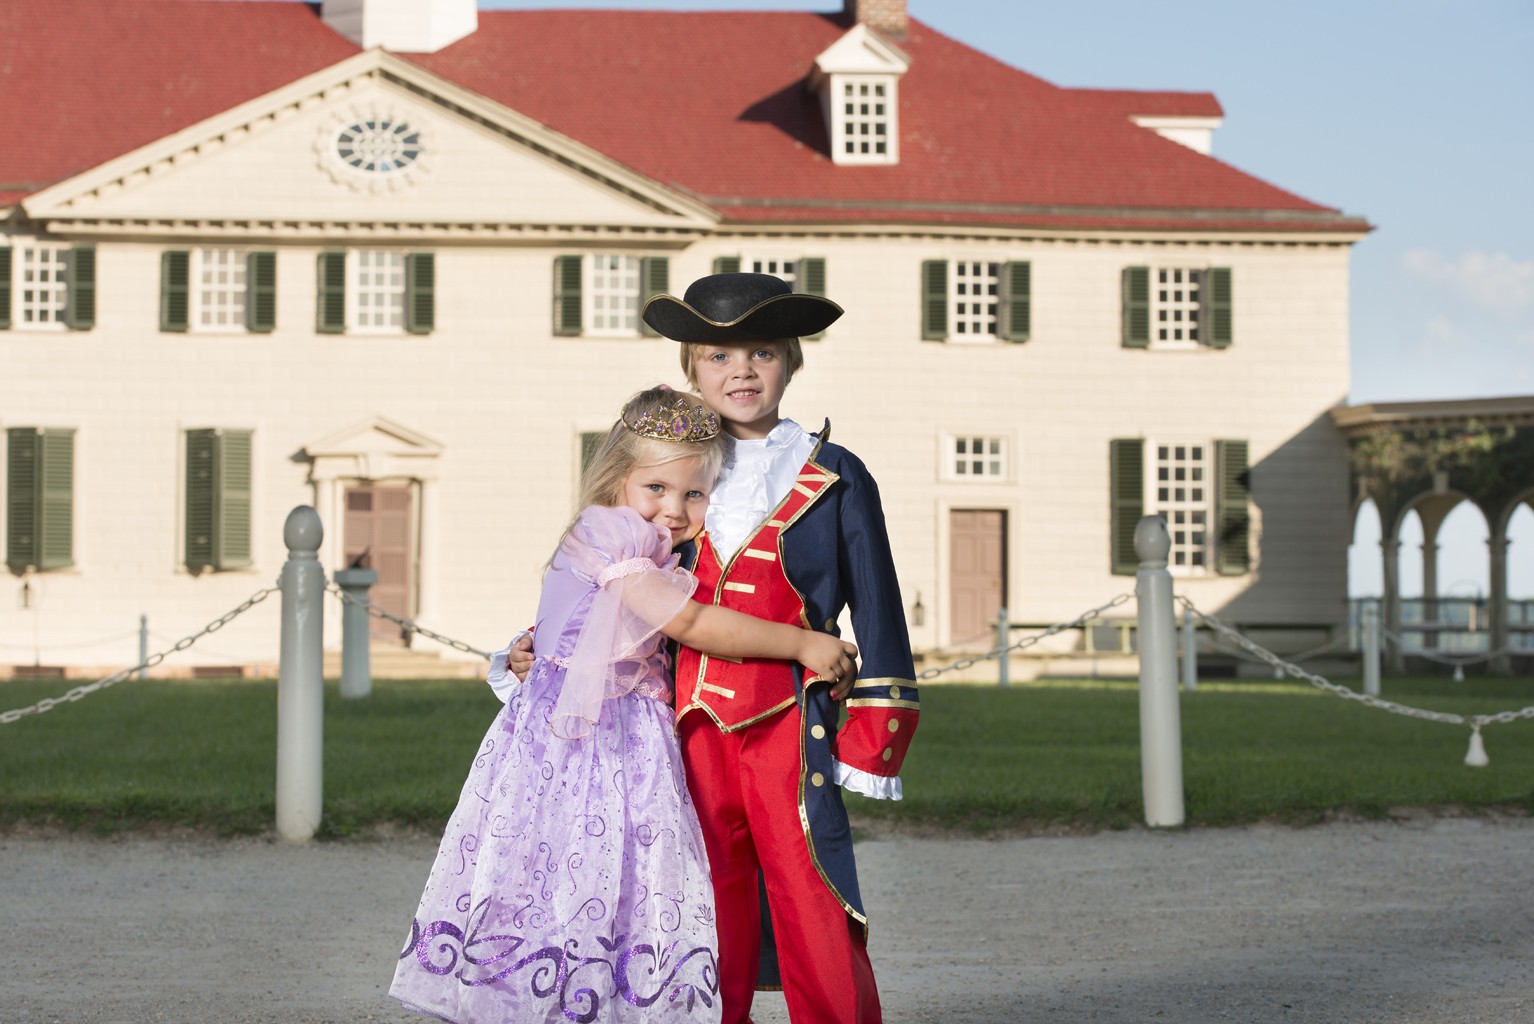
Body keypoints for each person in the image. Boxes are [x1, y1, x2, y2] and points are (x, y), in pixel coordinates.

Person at [510, 272, 920, 1024]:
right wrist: (542, 645)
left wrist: (877, 727)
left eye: (763, 352)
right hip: (682, 719)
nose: (741, 371)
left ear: (792, 362)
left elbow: (879, 601)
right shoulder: (671, 472)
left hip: (792, 717)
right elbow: (610, 582)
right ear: (690, 368)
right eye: (719, 356)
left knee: (810, 882)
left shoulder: (836, 474)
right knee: (701, 892)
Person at [389, 386, 859, 1024]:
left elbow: (579, 623)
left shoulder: (631, 537)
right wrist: (801, 642)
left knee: (600, 877)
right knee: (591, 873)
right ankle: (567, 1000)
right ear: (617, 477)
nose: (675, 509)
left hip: (592, 731)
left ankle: (592, 998)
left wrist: (527, 647)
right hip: (596, 740)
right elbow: (690, 623)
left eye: (695, 494)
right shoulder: (617, 536)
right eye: (657, 489)